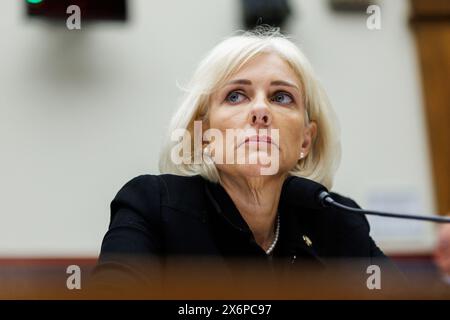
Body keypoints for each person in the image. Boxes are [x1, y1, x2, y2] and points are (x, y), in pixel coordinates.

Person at [92, 27, 400, 295]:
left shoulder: (336, 219)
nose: (261, 111)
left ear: (305, 140)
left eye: (281, 97)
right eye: (236, 95)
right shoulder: (152, 206)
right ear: (204, 136)